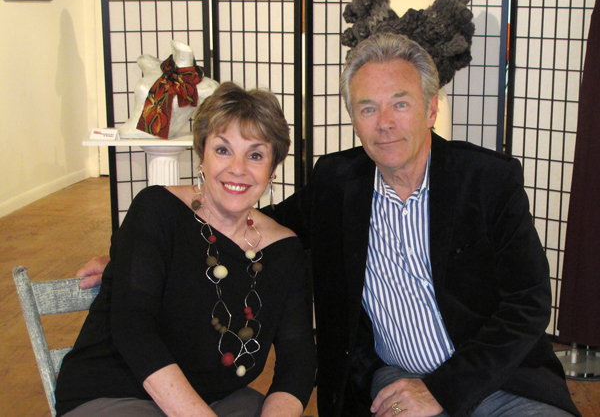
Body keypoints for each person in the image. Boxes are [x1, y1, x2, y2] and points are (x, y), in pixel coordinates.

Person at [77, 34, 580, 417]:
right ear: (353, 119)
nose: (384, 122)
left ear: (431, 108)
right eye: (367, 108)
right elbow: (246, 217)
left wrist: (443, 390)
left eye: (400, 103)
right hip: (396, 380)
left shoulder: (487, 181)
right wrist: (133, 255)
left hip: (496, 379)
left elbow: (530, 303)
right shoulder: (338, 183)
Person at [56, 82, 316, 417]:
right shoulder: (157, 210)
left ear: (273, 169)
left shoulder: (284, 250)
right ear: (201, 156)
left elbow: (297, 362)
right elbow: (134, 330)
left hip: (220, 400)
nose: (238, 168)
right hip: (117, 392)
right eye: (222, 150)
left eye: (255, 155)